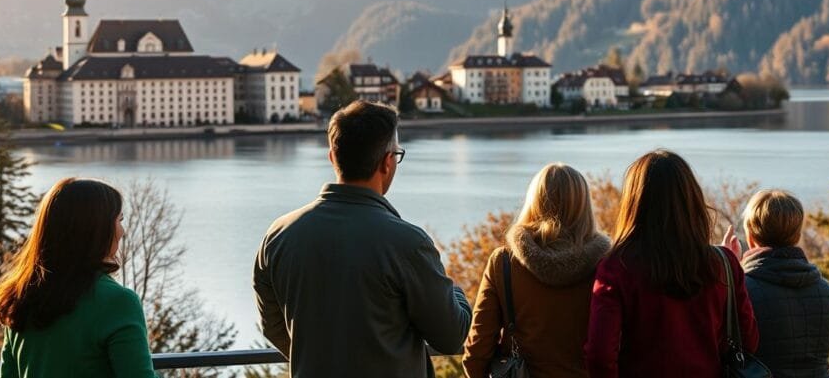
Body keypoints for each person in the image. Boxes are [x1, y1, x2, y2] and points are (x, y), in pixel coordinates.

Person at [253, 100, 472, 377]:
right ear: (387, 162)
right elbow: (452, 334)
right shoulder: (407, 244)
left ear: (332, 156)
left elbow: (274, 327)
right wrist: (454, 290)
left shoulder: (278, 236)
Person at [585, 150, 758, 378]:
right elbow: (749, 342)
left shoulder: (616, 269)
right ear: (691, 199)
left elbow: (600, 355)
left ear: (634, 204)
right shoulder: (724, 265)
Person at [0, 178, 155, 378]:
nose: (122, 231)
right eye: (119, 220)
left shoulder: (20, 297)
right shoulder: (118, 302)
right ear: (96, 228)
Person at [463, 163, 611, 378]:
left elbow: (477, 349)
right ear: (584, 205)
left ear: (534, 202)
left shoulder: (504, 263)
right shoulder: (607, 265)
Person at [724, 190, 829, 378]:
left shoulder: (743, 290)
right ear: (797, 236)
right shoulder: (825, 290)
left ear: (751, 237)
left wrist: (729, 271)